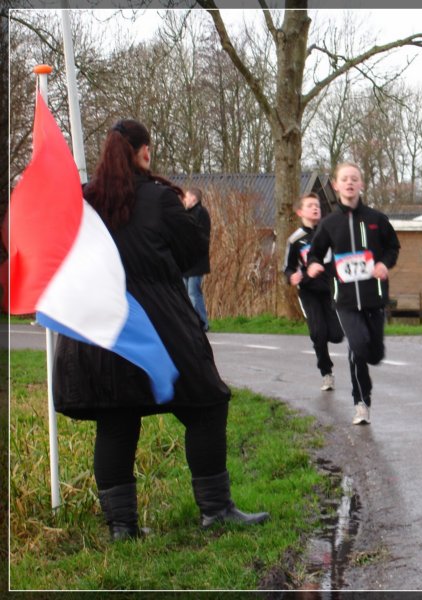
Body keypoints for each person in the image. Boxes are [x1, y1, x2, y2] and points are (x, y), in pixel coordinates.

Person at [52, 120, 267, 541]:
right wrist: (193, 214)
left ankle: (122, 527)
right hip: (159, 326)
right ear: (143, 152)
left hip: (99, 330)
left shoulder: (81, 202)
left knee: (115, 420)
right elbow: (190, 256)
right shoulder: (159, 199)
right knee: (206, 404)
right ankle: (216, 510)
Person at [306, 162, 401, 425]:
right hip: (345, 300)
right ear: (336, 185)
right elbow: (315, 252)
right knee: (357, 347)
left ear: (361, 184)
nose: (349, 183)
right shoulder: (329, 224)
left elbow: (393, 247)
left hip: (375, 297)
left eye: (354, 179)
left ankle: (366, 363)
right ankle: (361, 402)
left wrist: (384, 263)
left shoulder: (376, 219)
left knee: (375, 354)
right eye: (344, 179)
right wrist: (314, 263)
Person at [283, 193, 345, 391]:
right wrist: (292, 276)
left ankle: (328, 332)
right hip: (308, 291)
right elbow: (288, 267)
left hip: (329, 289)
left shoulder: (329, 233)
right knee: (318, 333)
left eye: (317, 205)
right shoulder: (295, 240)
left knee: (336, 335)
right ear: (300, 211)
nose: (315, 208)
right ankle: (326, 373)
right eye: (310, 206)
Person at [181, 187, 211, 332]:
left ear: (194, 198)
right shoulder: (188, 214)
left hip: (196, 262)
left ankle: (202, 322)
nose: (184, 200)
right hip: (187, 262)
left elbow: (200, 238)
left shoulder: (200, 213)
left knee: (193, 293)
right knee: (186, 293)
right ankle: (191, 322)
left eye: (186, 197)